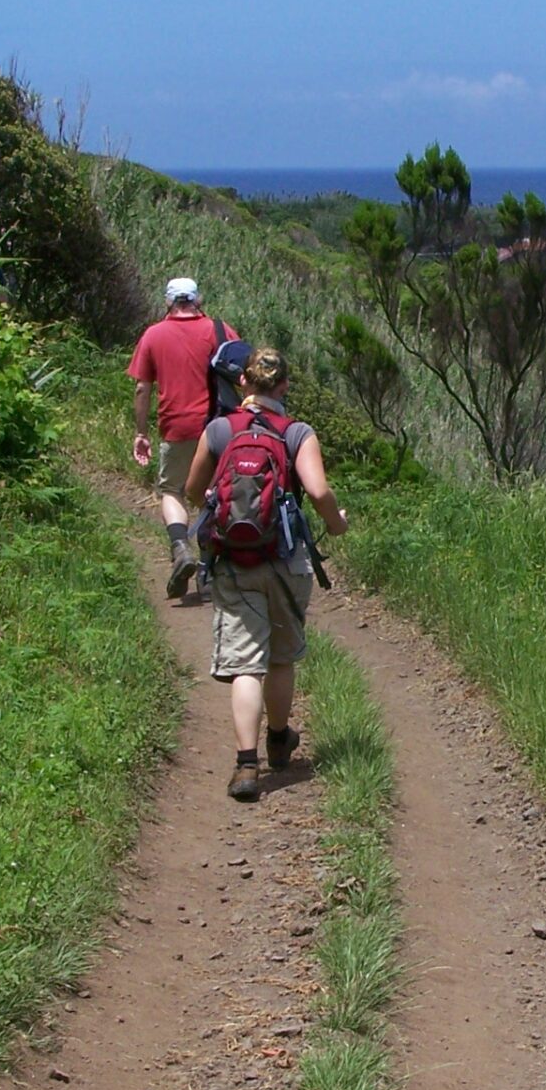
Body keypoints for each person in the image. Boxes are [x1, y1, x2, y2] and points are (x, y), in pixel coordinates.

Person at [183, 345, 349, 803]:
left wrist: (227, 517)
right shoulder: (297, 432)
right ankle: (279, 739)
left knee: (244, 665)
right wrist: (337, 523)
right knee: (279, 657)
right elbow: (317, 489)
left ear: (243, 384)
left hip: (234, 560)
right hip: (285, 559)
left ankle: (245, 765)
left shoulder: (219, 430)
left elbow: (194, 489)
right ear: (284, 386)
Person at [128, 276, 237, 598]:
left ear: (168, 302)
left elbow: (141, 388)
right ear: (197, 300)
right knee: (212, 493)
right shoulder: (219, 330)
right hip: (220, 427)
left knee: (172, 490)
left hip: (176, 427)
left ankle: (180, 548)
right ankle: (210, 566)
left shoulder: (154, 335)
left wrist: (141, 432)